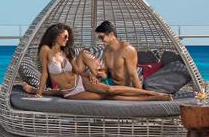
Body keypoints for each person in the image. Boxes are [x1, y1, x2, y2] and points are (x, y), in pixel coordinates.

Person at [23, 23, 171, 101]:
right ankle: (154, 98)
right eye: (65, 37)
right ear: (55, 36)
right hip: (71, 92)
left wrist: (90, 75)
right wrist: (39, 94)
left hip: (80, 80)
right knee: (109, 96)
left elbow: (77, 71)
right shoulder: (45, 50)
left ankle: (154, 94)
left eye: (68, 37)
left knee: (110, 90)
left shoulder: (65, 52)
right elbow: (44, 73)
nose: (67, 39)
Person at [92, 20, 142, 88]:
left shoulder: (127, 49)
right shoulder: (106, 51)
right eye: (99, 38)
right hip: (110, 84)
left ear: (111, 34)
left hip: (124, 87)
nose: (100, 40)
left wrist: (140, 93)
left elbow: (133, 76)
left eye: (101, 37)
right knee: (85, 81)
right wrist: (95, 75)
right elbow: (106, 72)